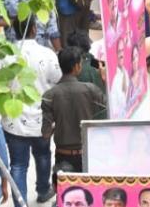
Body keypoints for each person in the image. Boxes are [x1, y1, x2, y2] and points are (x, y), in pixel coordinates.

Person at [2, 19, 63, 207]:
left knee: (18, 164)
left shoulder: (7, 56)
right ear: (35, 29)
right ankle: (43, 189)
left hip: (14, 120)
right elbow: (58, 77)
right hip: (41, 118)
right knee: (43, 154)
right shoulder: (47, 54)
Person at [42, 48, 107, 183]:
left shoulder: (49, 95)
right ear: (77, 66)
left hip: (63, 157)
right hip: (88, 155)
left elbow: (45, 133)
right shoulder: (90, 90)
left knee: (66, 199)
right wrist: (105, 80)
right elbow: (108, 110)